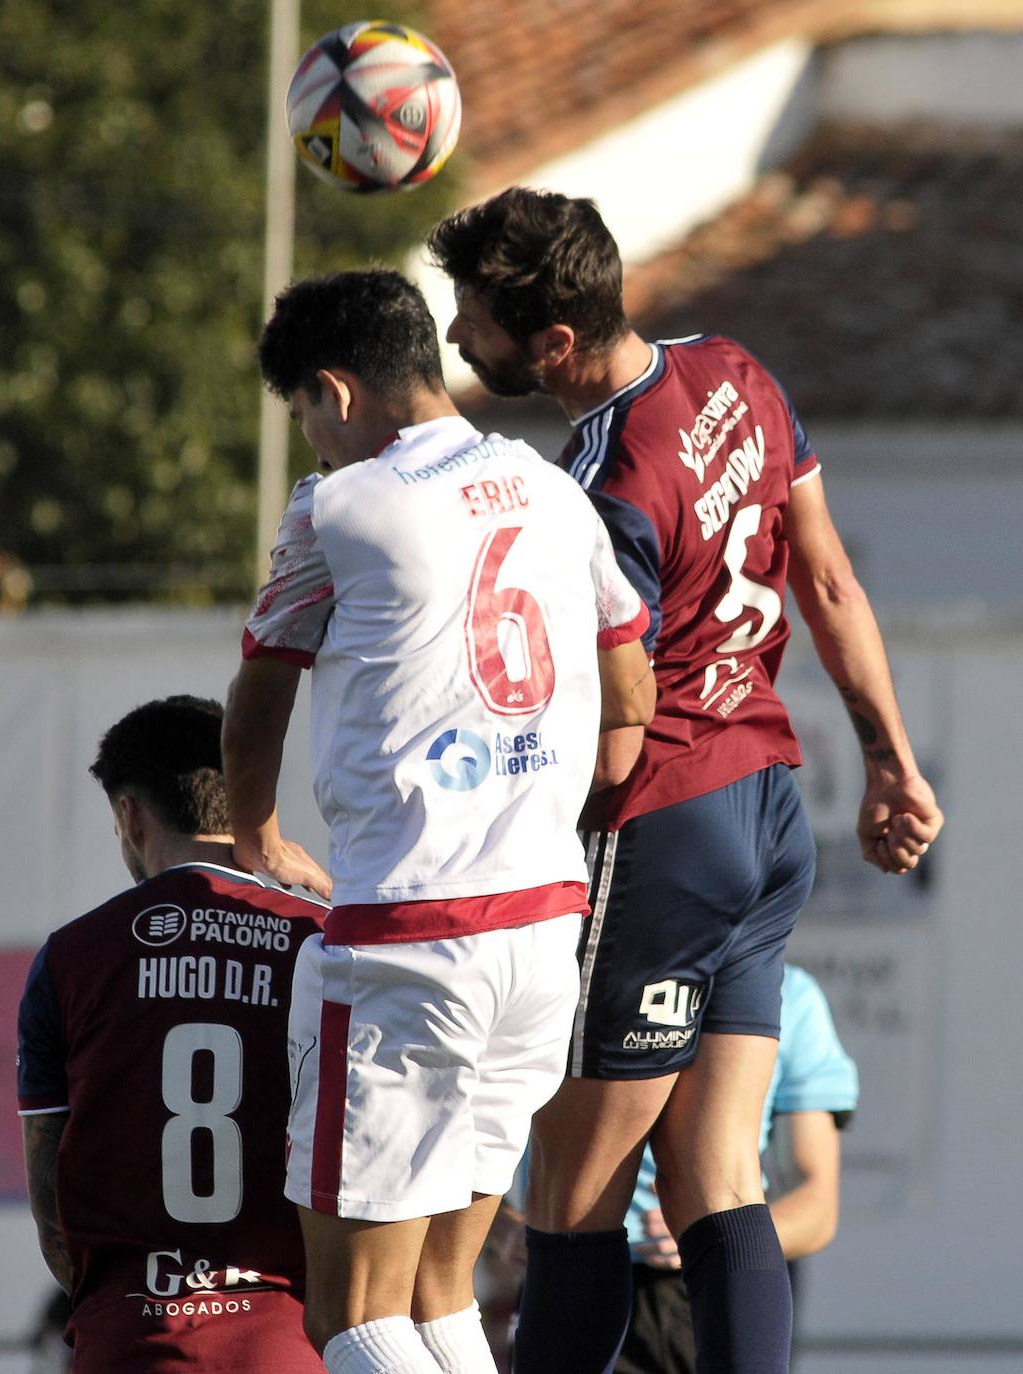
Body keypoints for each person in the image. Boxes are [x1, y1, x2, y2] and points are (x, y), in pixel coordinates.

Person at [427, 186, 943, 1374]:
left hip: (666, 825)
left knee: (570, 1198)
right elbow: (828, 584)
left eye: (475, 322)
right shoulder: (734, 369)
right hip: (770, 811)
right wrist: (889, 762)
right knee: (719, 1181)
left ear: (550, 343)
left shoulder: (599, 483)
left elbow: (623, 712)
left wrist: (551, 840)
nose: (458, 339)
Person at [221, 267, 656, 1374]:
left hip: (408, 940)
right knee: (440, 1294)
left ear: (337, 391)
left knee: (351, 1314)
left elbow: (260, 694)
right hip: (540, 933)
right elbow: (633, 690)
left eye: (307, 417)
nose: (314, 443)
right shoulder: (555, 489)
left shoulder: (334, 505)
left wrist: (259, 839)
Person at [16, 695, 327, 1373]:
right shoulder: (321, 937)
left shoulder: (68, 959)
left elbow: (52, 1214)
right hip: (289, 1335)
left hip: (133, 1336)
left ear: (129, 814)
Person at [619, 963, 858, 1373]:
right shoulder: (581, 968)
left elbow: (818, 1208)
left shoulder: (791, 994)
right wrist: (509, 1233)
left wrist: (708, 1240)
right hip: (577, 1270)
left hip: (708, 1283)